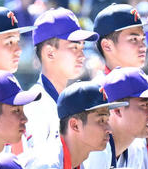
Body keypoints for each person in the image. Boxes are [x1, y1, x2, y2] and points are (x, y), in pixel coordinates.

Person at [23, 8, 96, 148]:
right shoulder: (35, 108)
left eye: (82, 47)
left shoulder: (69, 103)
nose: (82, 55)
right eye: (74, 47)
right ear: (50, 53)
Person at [93, 2, 146, 73]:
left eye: (143, 39)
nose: (143, 47)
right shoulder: (98, 84)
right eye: (133, 39)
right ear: (107, 46)